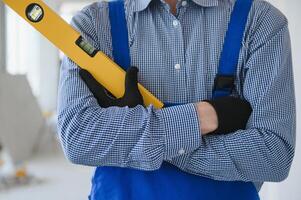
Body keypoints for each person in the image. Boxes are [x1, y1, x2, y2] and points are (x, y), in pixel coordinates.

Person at [57, 0, 296, 199]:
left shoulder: (260, 23)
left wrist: (135, 136)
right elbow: (78, 139)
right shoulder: (93, 26)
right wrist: (202, 117)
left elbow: (273, 154)